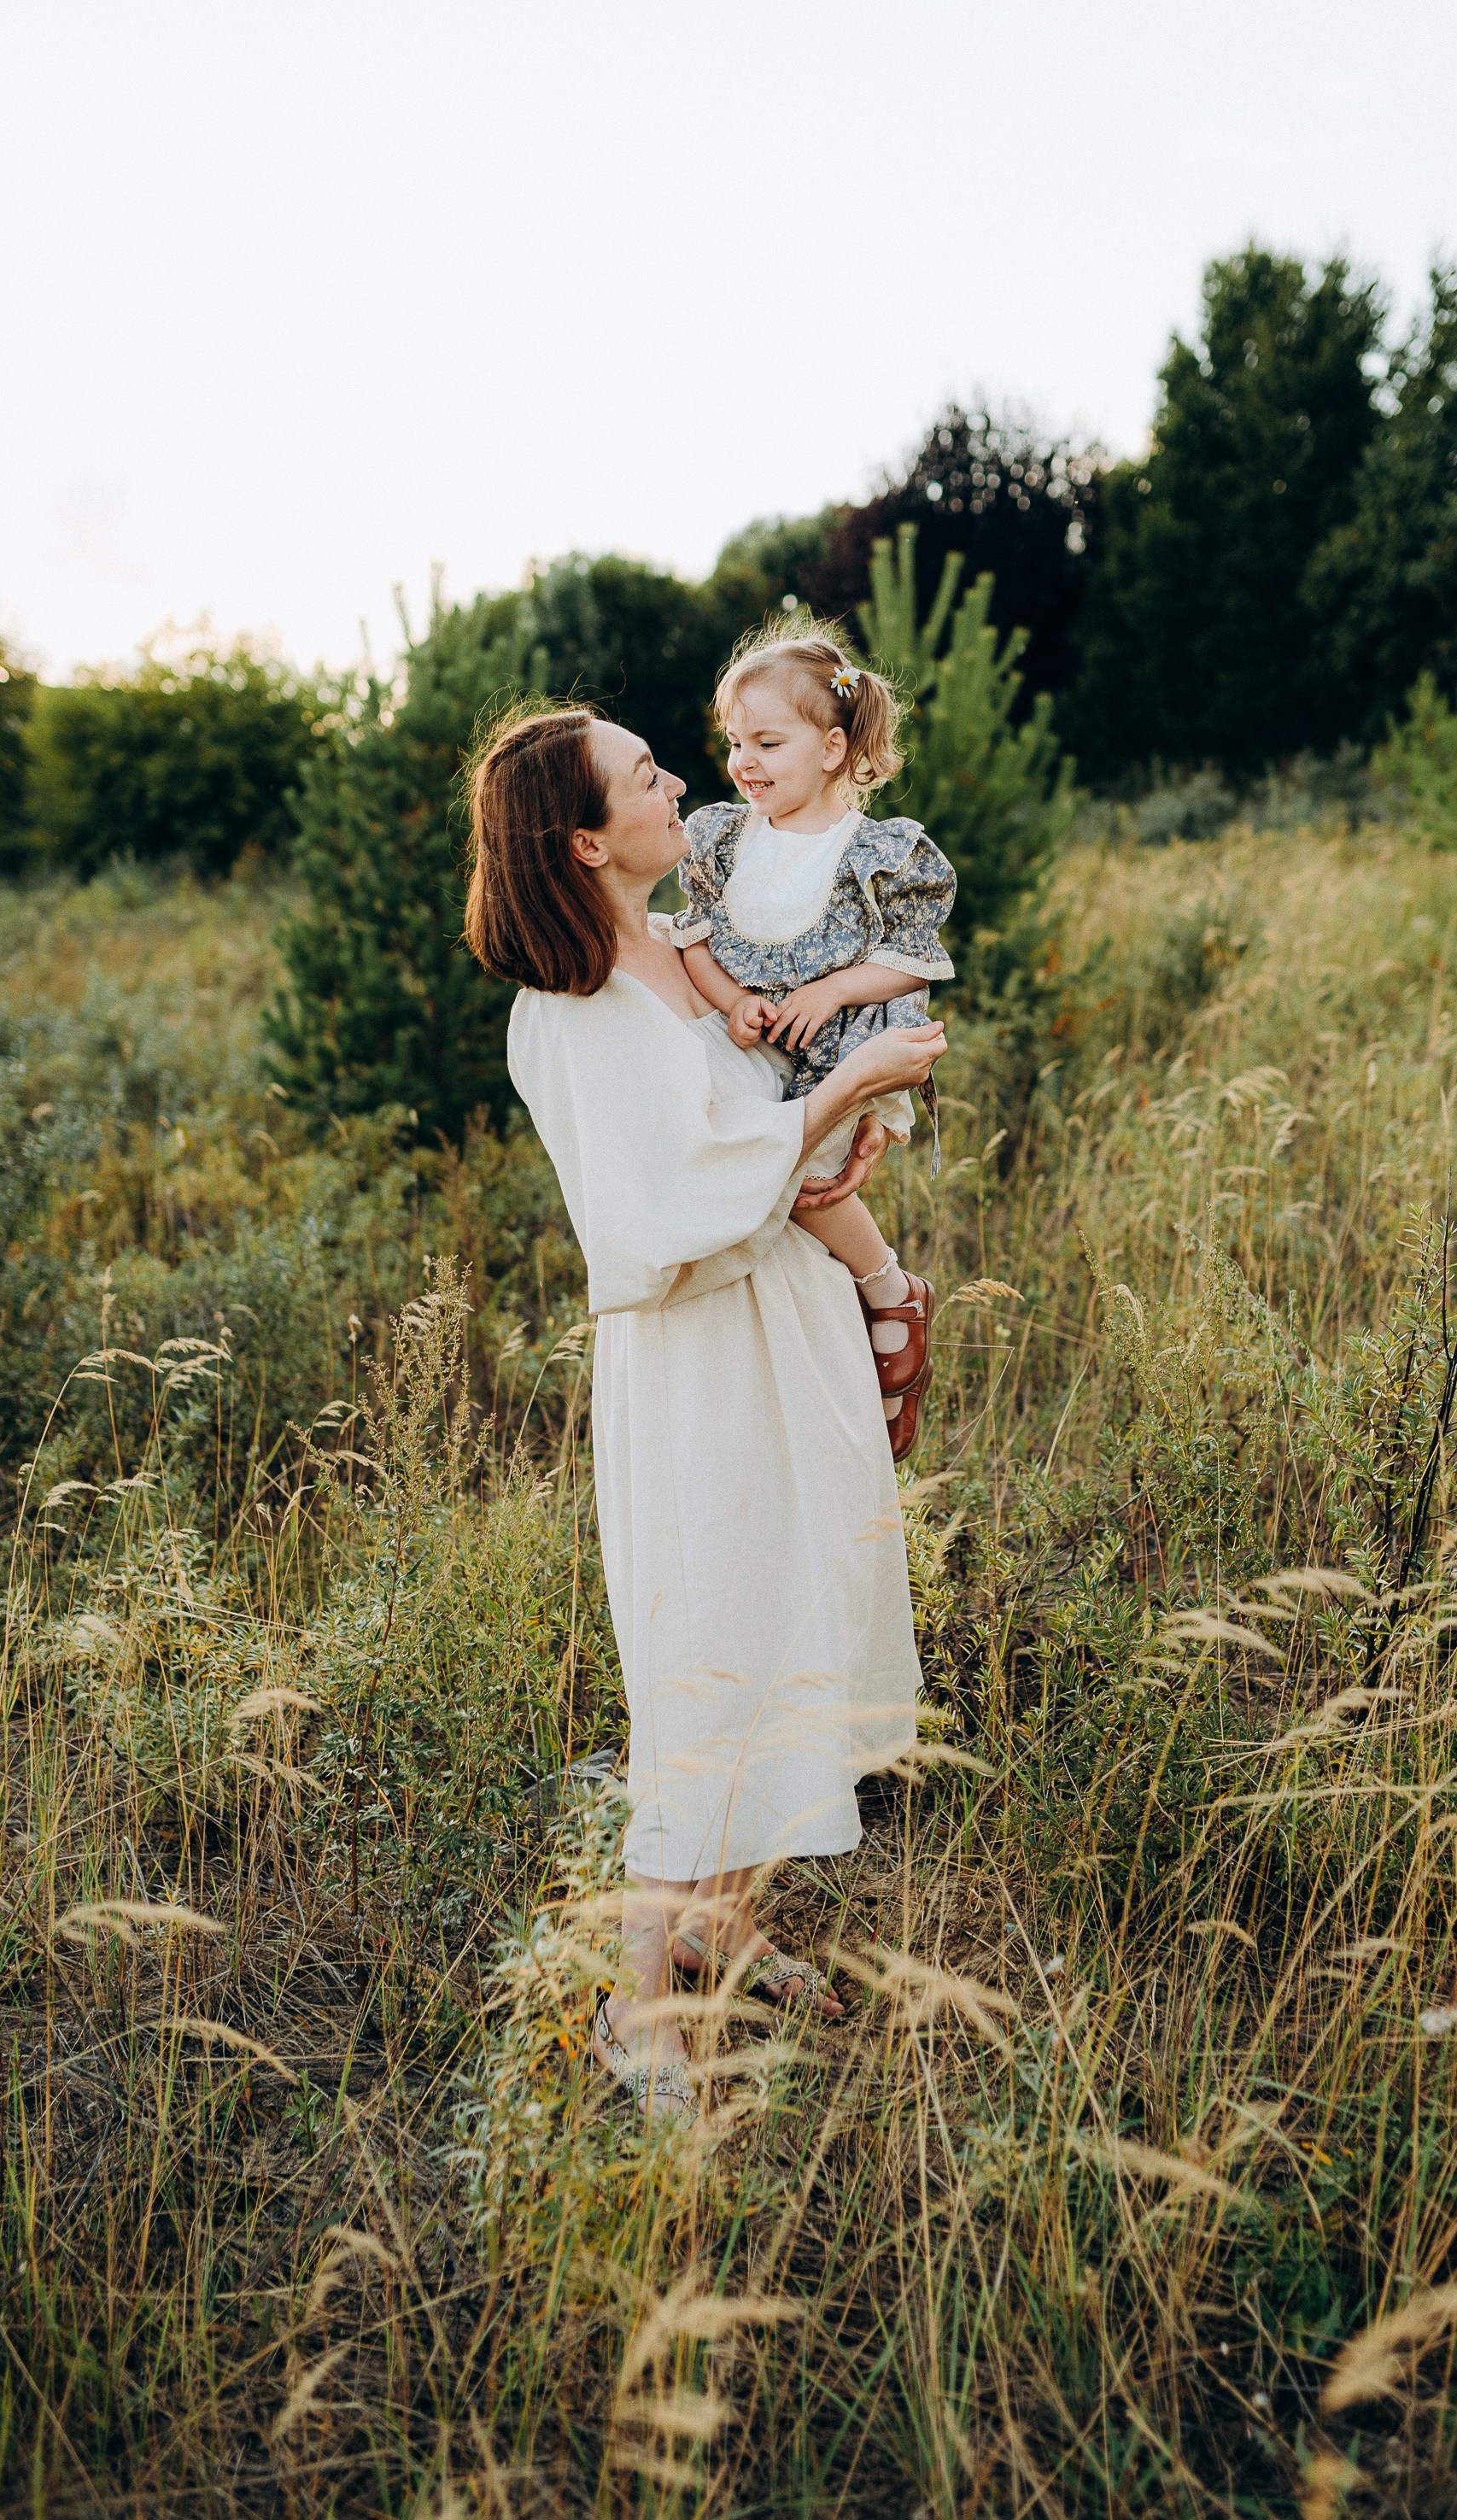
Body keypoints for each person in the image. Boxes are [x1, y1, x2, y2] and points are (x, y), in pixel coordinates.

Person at [464, 703, 946, 2125]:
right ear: (584, 838)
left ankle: (723, 1922)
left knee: (801, 1618)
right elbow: (664, 1212)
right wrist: (850, 1081)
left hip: (787, 1323)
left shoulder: (689, 951)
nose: (680, 782)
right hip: (696, 1361)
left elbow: (771, 1139)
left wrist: (849, 1112)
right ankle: (638, 2011)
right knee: (706, 1661)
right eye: (645, 776)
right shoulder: (567, 1017)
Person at [672, 624, 956, 1459]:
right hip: (751, 1050)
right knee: (748, 1172)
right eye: (733, 743)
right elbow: (691, 936)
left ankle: (889, 1292)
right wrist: (729, 1002)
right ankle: (813, 1345)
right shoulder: (725, 837)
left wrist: (830, 987)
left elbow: (910, 965)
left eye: (767, 742)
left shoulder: (873, 852)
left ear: (832, 749)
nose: (743, 762)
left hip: (845, 1052)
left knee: (799, 1181)